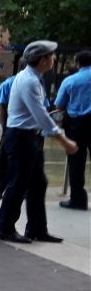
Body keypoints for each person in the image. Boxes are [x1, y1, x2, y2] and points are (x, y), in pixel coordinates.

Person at [0, 40, 78, 244]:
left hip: (30, 136)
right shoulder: (29, 81)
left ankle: (36, 228)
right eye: (51, 56)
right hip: (21, 137)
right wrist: (63, 139)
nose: (54, 59)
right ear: (42, 60)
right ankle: (4, 227)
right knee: (18, 183)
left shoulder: (33, 78)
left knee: (37, 183)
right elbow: (40, 114)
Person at [54, 50, 91, 211]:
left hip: (77, 126)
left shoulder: (70, 80)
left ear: (77, 63)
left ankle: (78, 199)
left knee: (76, 163)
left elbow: (59, 104)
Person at [0, 58, 27, 199]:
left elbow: (2, 106)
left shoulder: (10, 83)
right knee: (9, 158)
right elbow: (2, 107)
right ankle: (0, 187)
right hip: (17, 129)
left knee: (8, 158)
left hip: (15, 129)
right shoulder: (10, 83)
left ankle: (1, 188)